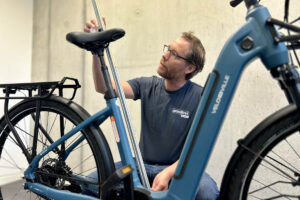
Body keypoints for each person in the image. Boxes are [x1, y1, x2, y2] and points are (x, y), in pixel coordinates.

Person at [84, 19, 219, 200]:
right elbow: (105, 87)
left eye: (174, 54)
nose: (165, 56)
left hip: (179, 169)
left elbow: (198, 152)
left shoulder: (200, 97)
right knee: (89, 184)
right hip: (140, 166)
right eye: (168, 49)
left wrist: (168, 173)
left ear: (190, 67)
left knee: (207, 194)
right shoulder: (147, 85)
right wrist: (95, 50)